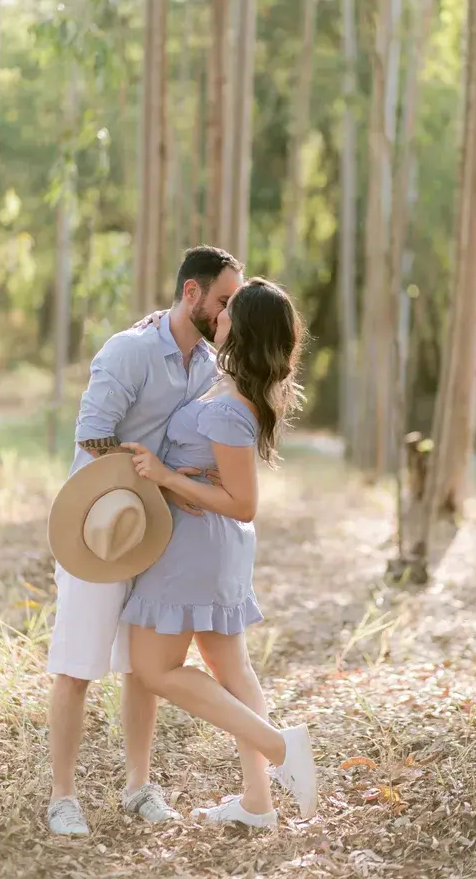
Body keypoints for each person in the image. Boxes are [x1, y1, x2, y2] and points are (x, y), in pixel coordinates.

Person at [46, 245, 243, 836]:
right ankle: (62, 797)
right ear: (191, 293)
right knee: (76, 665)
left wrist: (185, 479)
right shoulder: (129, 350)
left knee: (143, 667)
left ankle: (138, 786)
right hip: (101, 527)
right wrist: (149, 467)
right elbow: (91, 436)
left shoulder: (209, 365)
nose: (226, 312)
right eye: (223, 300)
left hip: (161, 532)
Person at [120, 278, 318, 828]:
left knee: (153, 668)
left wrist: (165, 475)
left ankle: (279, 749)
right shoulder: (228, 386)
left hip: (196, 550)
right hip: (209, 547)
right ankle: (258, 804)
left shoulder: (231, 405)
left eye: (230, 308)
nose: (220, 313)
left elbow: (243, 503)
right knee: (232, 669)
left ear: (244, 326)